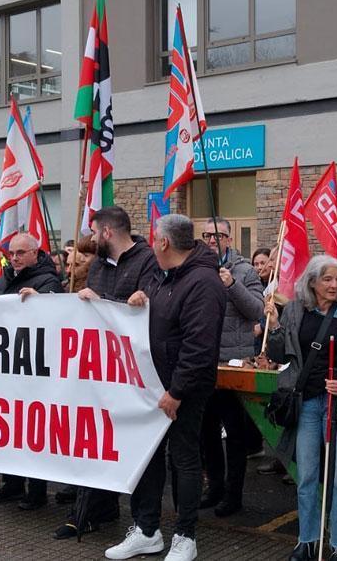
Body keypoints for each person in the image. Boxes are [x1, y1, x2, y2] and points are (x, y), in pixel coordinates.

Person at [105, 215, 225, 561]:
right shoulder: (161, 276)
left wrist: (176, 392)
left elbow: (199, 346)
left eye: (154, 236)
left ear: (164, 243)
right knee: (147, 456)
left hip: (181, 390)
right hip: (152, 384)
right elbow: (158, 318)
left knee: (184, 458)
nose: (151, 241)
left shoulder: (203, 282)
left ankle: (185, 536)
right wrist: (141, 298)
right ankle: (147, 530)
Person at [57, 209, 160, 542]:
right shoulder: (99, 266)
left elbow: (145, 308)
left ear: (107, 233)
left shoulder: (147, 260)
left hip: (135, 371)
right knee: (99, 438)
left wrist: (105, 302)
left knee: (134, 443)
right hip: (101, 368)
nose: (90, 237)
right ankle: (93, 510)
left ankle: (144, 524)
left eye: (93, 231)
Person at [265, 255, 337, 561]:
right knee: (307, 477)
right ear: (312, 282)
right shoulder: (295, 310)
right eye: (327, 279)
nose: (335, 285)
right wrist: (274, 325)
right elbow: (278, 354)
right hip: (307, 403)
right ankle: (307, 540)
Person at [0, 233, 64, 510]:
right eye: (11, 253)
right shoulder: (5, 279)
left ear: (35, 253)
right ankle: (12, 484)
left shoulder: (48, 280)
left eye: (20, 253)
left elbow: (57, 313)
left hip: (33, 365)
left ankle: (37, 491)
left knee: (33, 430)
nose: (15, 258)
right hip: (7, 363)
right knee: (10, 428)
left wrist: (41, 300)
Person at [198, 217, 264, 518]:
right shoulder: (198, 268)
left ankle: (233, 494)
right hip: (205, 361)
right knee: (207, 431)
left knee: (235, 434)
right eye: (207, 235)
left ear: (229, 238)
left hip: (233, 364)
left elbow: (256, 310)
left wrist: (232, 285)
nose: (212, 240)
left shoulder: (245, 271)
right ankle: (214, 487)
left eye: (217, 235)